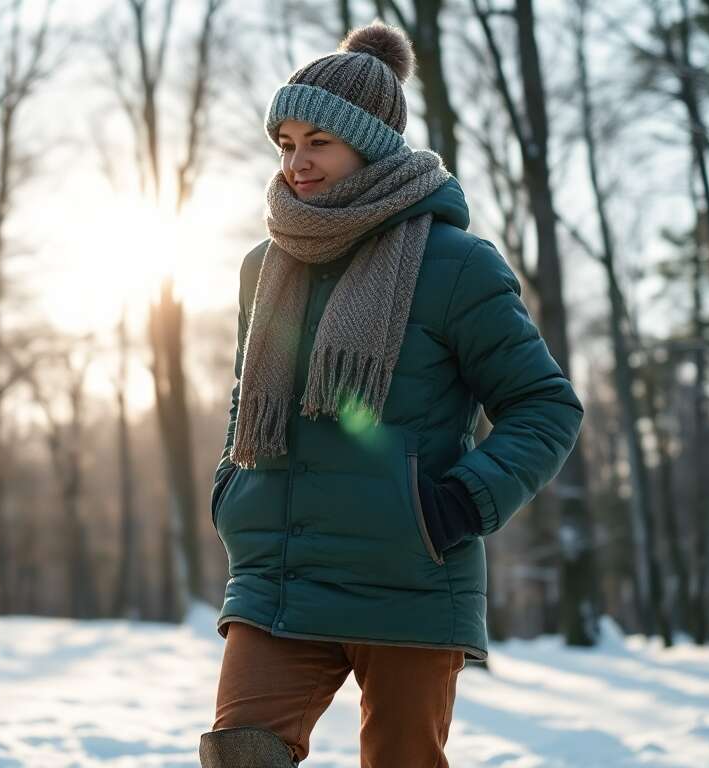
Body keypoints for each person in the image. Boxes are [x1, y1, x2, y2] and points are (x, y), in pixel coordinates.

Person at [198, 20, 584, 768]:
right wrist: (231, 489)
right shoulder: (264, 266)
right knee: (241, 753)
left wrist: (459, 505)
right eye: (286, 142)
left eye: (320, 142)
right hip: (280, 576)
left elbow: (545, 406)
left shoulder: (457, 265)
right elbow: (249, 403)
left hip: (409, 577)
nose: (297, 162)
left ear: (371, 142)